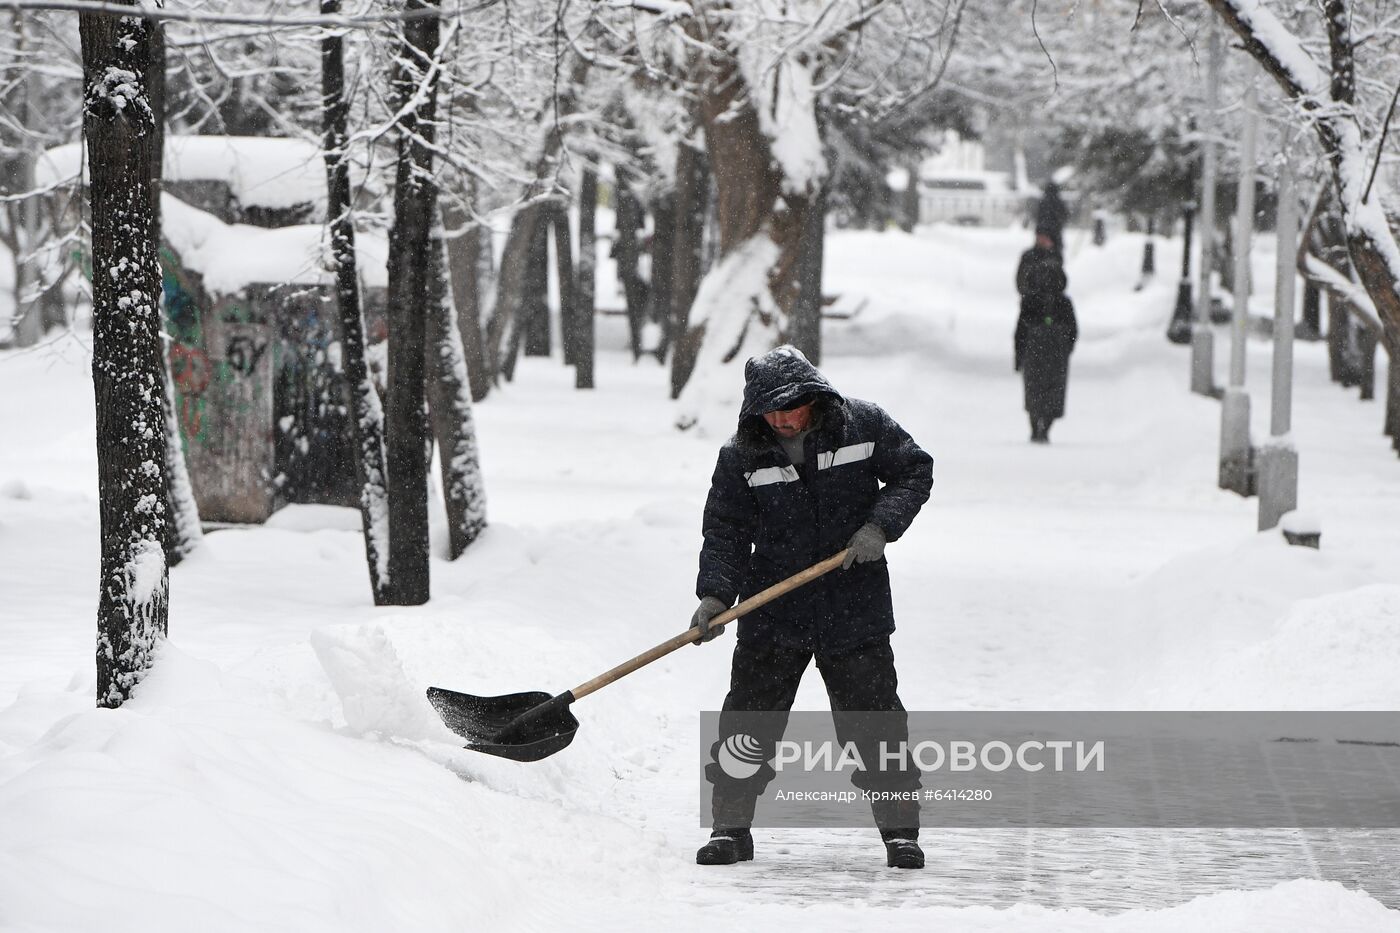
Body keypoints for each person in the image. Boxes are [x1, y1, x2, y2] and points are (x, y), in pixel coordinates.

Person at [688, 345, 934, 870]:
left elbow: (914, 470)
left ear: (812, 398)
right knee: (748, 722)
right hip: (773, 607)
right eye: (769, 411)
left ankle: (899, 834)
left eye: (789, 408)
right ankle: (730, 828)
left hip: (854, 601)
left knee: (875, 722)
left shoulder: (862, 425)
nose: (780, 420)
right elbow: (726, 529)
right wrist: (714, 594)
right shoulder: (742, 454)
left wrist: (880, 527)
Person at [1014, 235, 1078, 443]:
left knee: (1035, 389)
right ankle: (1045, 426)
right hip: (1056, 353)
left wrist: (1019, 355)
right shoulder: (1063, 302)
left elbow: (1020, 330)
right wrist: (1066, 346)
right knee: (1053, 390)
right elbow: (1073, 329)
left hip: (1035, 350)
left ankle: (1036, 426)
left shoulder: (1031, 300)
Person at [1035, 181, 1069, 257]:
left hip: (1042, 232)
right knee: (1055, 254)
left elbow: (1038, 216)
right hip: (1055, 232)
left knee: (1040, 254)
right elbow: (1065, 216)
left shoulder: (1042, 202)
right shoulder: (1059, 202)